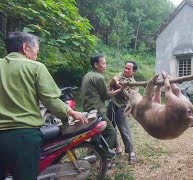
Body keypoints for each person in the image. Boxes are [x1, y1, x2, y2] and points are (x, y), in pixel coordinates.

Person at [0, 31, 88, 180]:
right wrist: (71, 114)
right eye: (36, 51)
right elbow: (50, 101)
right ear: (26, 48)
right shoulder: (35, 67)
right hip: (25, 137)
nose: (37, 55)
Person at [80, 54, 125, 152]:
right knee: (111, 132)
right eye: (103, 64)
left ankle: (92, 152)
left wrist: (111, 85)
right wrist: (121, 89)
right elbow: (106, 96)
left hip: (88, 108)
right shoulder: (98, 77)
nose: (106, 66)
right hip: (96, 110)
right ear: (96, 65)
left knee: (98, 132)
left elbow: (102, 92)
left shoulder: (88, 75)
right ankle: (103, 155)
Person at [107, 61, 139, 164]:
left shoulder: (134, 84)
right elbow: (109, 88)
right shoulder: (118, 76)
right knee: (111, 128)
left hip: (122, 107)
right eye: (125, 67)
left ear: (133, 72)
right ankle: (117, 147)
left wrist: (121, 88)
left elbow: (129, 97)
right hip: (111, 105)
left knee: (124, 130)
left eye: (129, 69)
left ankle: (131, 152)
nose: (125, 70)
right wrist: (113, 83)